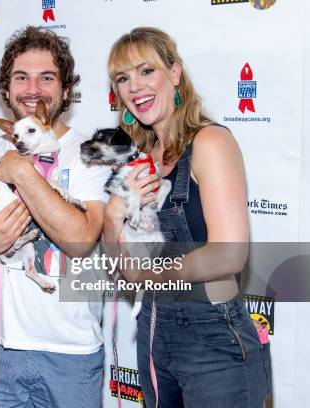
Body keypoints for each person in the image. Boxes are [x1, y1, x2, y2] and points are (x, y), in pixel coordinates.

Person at [103, 27, 271, 407]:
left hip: (211, 334)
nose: (135, 87)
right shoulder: (139, 158)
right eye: (123, 78)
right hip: (152, 329)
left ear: (175, 73)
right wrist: (113, 219)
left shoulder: (210, 142)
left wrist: (151, 275)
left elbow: (228, 255)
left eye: (146, 71)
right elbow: (123, 271)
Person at [0, 26, 109, 407]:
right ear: (5, 89)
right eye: (21, 77)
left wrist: (20, 171)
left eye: (47, 78)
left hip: (71, 349)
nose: (32, 89)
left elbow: (80, 239)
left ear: (67, 89)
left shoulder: (92, 152)